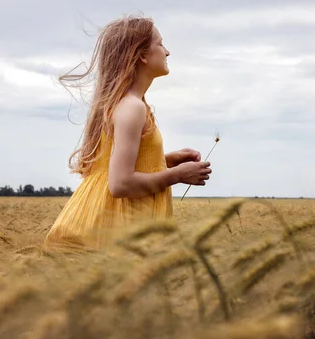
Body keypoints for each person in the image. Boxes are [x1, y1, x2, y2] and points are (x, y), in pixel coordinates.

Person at [43, 16, 212, 252]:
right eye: (160, 44)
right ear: (142, 55)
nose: (168, 51)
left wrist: (166, 161)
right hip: (115, 226)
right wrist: (176, 175)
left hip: (106, 219)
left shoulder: (127, 104)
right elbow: (120, 184)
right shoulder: (131, 107)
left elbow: (119, 166)